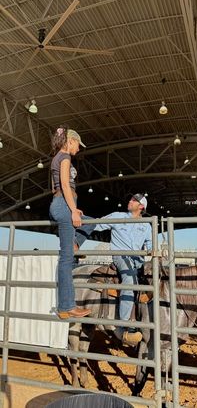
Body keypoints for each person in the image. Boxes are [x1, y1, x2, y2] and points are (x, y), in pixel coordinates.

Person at [76, 194, 152, 345]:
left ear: (141, 207)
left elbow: (150, 244)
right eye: (130, 199)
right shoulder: (117, 216)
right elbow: (97, 224)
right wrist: (82, 217)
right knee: (129, 280)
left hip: (139, 260)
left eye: (133, 201)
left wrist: (153, 255)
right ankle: (124, 326)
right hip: (121, 257)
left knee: (156, 280)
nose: (129, 201)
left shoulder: (146, 225)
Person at [49, 126, 91, 319]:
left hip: (61, 203)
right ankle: (67, 306)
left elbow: (54, 187)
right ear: (71, 141)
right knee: (66, 259)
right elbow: (65, 184)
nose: (79, 149)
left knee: (90, 222)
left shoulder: (55, 158)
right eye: (78, 145)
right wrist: (72, 209)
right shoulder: (65, 157)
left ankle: (75, 244)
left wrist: (71, 207)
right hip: (65, 205)